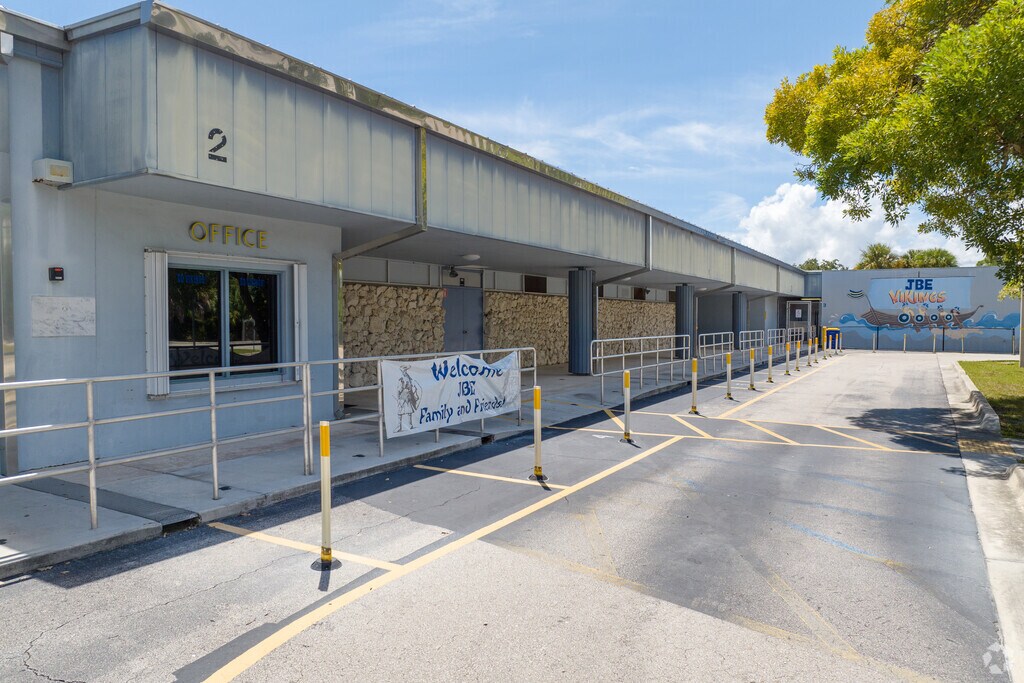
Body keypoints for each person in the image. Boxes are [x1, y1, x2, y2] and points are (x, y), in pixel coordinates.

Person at [395, 365, 421, 433]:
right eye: (404, 370)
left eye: (405, 370)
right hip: (404, 396)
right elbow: (399, 389)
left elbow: (410, 385)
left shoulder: (407, 377)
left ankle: (409, 425)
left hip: (407, 396)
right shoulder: (402, 378)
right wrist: (398, 397)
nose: (405, 371)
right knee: (400, 412)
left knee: (408, 411)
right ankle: (399, 427)